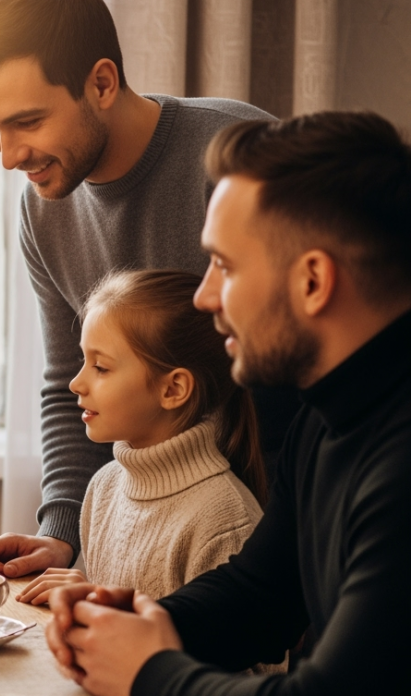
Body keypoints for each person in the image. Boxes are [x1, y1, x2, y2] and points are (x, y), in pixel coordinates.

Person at [44, 111, 411, 695]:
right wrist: (146, 619)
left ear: (312, 281)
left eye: (225, 265)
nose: (205, 295)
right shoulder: (324, 420)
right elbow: (263, 595)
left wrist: (151, 674)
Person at [0, 0, 294, 579]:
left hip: (271, 533)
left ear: (102, 83)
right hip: (153, 538)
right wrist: (61, 534)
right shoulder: (42, 209)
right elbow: (67, 386)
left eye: (28, 122)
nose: (7, 158)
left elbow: (308, 384)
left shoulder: (239, 155)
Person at [17, 269, 265, 607]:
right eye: (82, 360)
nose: (75, 383)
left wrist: (100, 606)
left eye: (100, 367)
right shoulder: (103, 489)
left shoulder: (224, 522)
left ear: (173, 389)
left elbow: (253, 661)